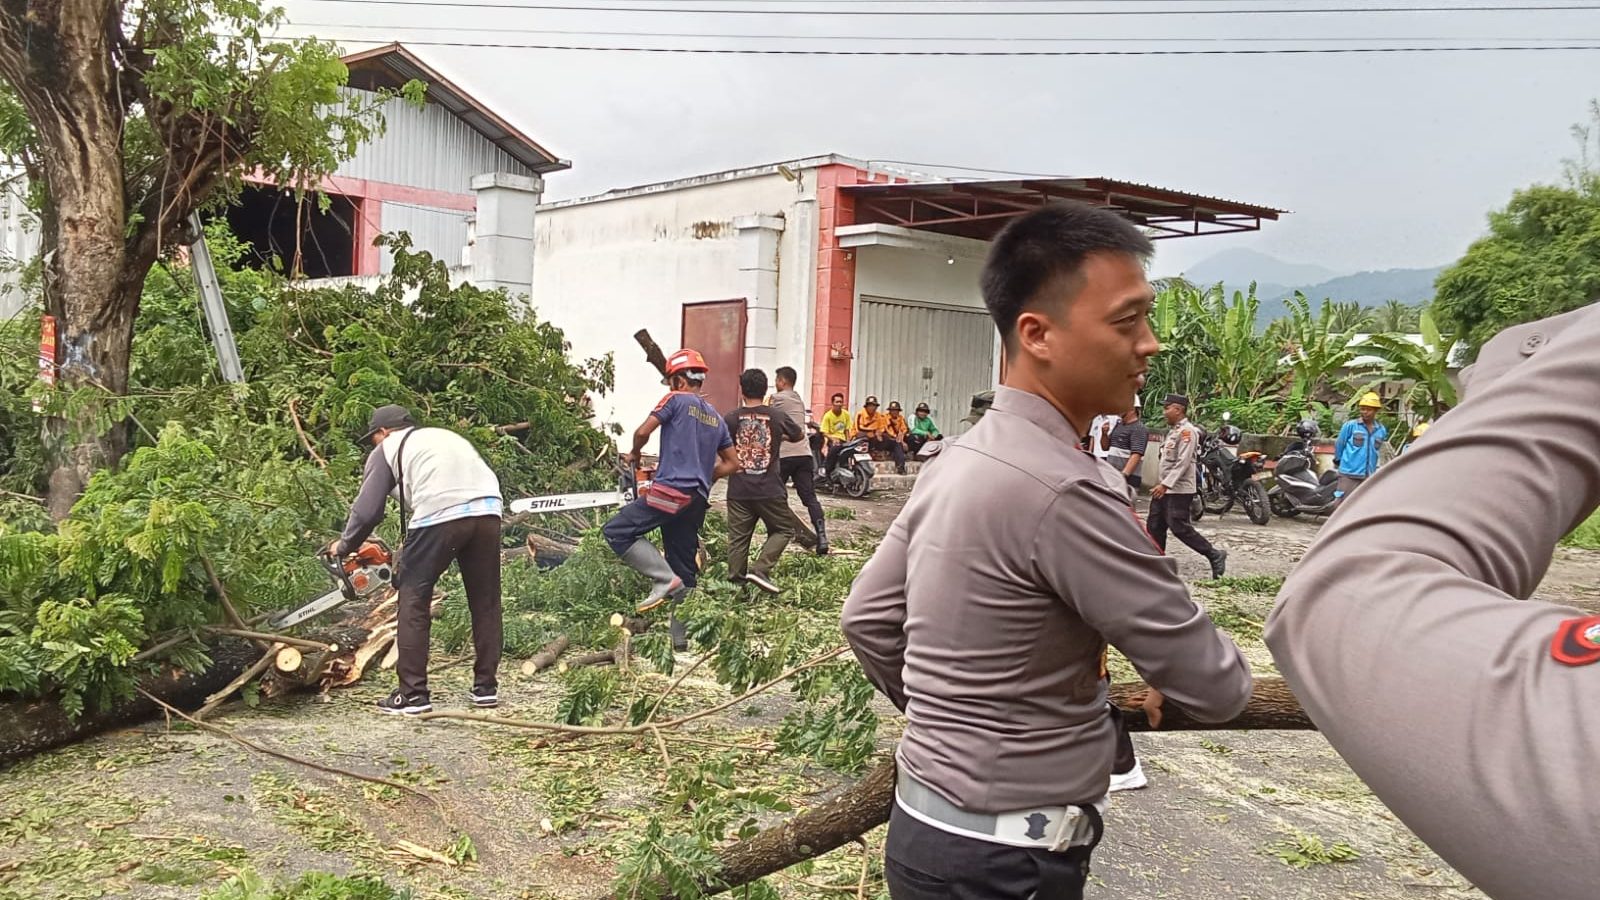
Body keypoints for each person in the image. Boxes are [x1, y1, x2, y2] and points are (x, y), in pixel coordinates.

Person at [842, 201, 1252, 900]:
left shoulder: (958, 458)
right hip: (1010, 867)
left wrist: (962, 728)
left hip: (924, 837)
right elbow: (1215, 685)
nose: (1149, 343)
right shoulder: (1067, 490)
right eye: (1128, 322)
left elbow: (868, 619)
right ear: (1038, 334)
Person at [1265, 303, 1600, 900]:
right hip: (1350, 479)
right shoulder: (1351, 432)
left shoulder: (1380, 435)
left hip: (1378, 483)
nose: (1368, 414)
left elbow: (1344, 594)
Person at [331, 404, 503, 716]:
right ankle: (486, 688)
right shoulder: (440, 438)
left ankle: (412, 695)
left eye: (374, 438)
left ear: (383, 432)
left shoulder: (387, 448)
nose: (374, 444)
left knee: (413, 597)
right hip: (489, 509)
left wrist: (344, 546)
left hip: (441, 511)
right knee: (485, 600)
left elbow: (369, 511)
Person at [603, 349, 738, 646]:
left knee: (617, 531)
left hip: (670, 492)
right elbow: (732, 463)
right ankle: (680, 641)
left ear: (678, 379)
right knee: (685, 566)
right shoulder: (715, 417)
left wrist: (635, 452)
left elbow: (642, 432)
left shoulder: (674, 400)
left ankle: (663, 579)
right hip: (696, 500)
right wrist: (706, 474)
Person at [724, 368, 804, 594]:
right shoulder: (776, 416)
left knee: (738, 540)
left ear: (742, 390)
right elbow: (798, 435)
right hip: (770, 489)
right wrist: (778, 436)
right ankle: (760, 568)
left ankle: (735, 588)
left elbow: (721, 446)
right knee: (784, 529)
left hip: (739, 489)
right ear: (765, 389)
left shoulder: (730, 418)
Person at [1150, 393, 1228, 579]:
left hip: (1178, 489)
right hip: (1165, 488)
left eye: (1167, 408)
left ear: (1178, 409)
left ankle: (1214, 554)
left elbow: (1183, 463)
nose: (1164, 412)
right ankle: (1155, 566)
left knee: (1179, 527)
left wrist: (1166, 485)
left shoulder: (1188, 432)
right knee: (1154, 526)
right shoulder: (1174, 431)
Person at [769, 366, 829, 556]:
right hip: (804, 454)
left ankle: (782, 534)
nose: (775, 384)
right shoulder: (799, 400)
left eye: (777, 380)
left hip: (786, 455)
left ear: (783, 381)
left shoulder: (776, 399)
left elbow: (768, 422)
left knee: (774, 496)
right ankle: (822, 536)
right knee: (809, 497)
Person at [1332, 391, 1388, 496]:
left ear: (1376, 411)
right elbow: (1340, 444)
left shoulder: (1381, 430)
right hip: (1348, 474)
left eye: (1369, 409)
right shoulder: (1350, 426)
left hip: (1368, 475)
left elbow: (1376, 450)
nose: (1365, 412)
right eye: (1362, 409)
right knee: (1342, 504)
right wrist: (1339, 462)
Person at [855, 395, 908, 475]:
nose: (872, 408)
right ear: (866, 406)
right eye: (870, 405)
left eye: (874, 406)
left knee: (896, 443)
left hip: (876, 437)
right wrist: (873, 431)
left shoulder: (879, 416)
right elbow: (858, 428)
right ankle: (872, 454)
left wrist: (879, 433)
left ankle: (900, 466)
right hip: (863, 437)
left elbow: (882, 428)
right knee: (865, 436)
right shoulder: (860, 414)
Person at [1106, 399, 1149, 489]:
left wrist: (1124, 475)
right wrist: (1103, 434)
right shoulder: (1118, 426)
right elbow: (1105, 447)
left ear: (1132, 409)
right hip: (1113, 476)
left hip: (1127, 479)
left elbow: (1136, 454)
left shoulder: (1139, 428)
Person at [819, 392, 853, 477]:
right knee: (835, 448)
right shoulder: (828, 416)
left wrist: (849, 441)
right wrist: (833, 439)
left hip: (843, 440)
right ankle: (825, 468)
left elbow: (847, 430)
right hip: (832, 439)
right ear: (833, 403)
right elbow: (824, 432)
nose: (839, 404)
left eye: (841, 402)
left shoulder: (846, 414)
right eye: (837, 402)